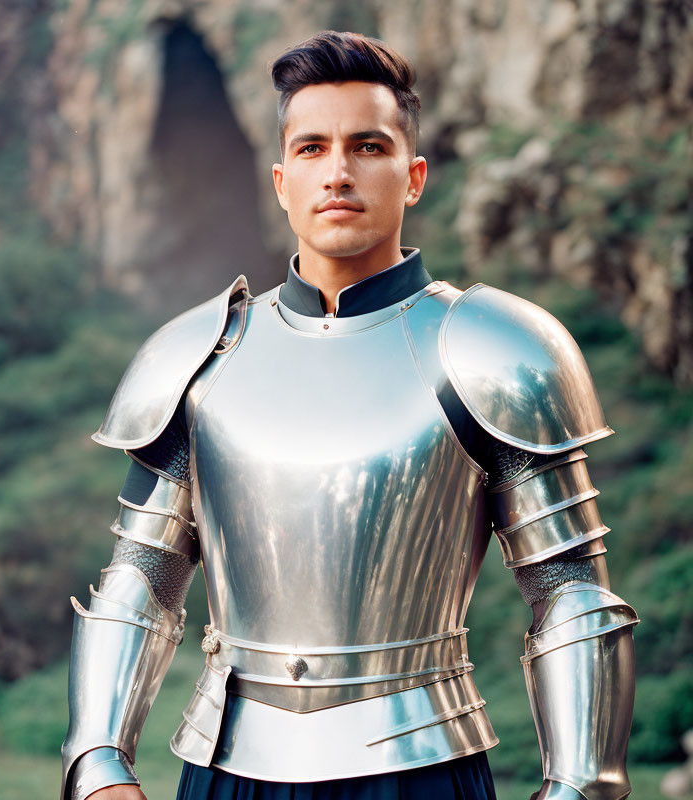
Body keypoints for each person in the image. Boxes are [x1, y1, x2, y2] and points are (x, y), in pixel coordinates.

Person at [61, 31, 639, 800]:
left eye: (368, 146)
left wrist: (578, 785)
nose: (337, 172)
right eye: (311, 149)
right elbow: (142, 575)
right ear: (280, 180)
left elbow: (569, 589)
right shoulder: (200, 358)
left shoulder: (495, 351)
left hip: (421, 767)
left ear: (414, 175)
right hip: (228, 767)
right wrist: (98, 760)